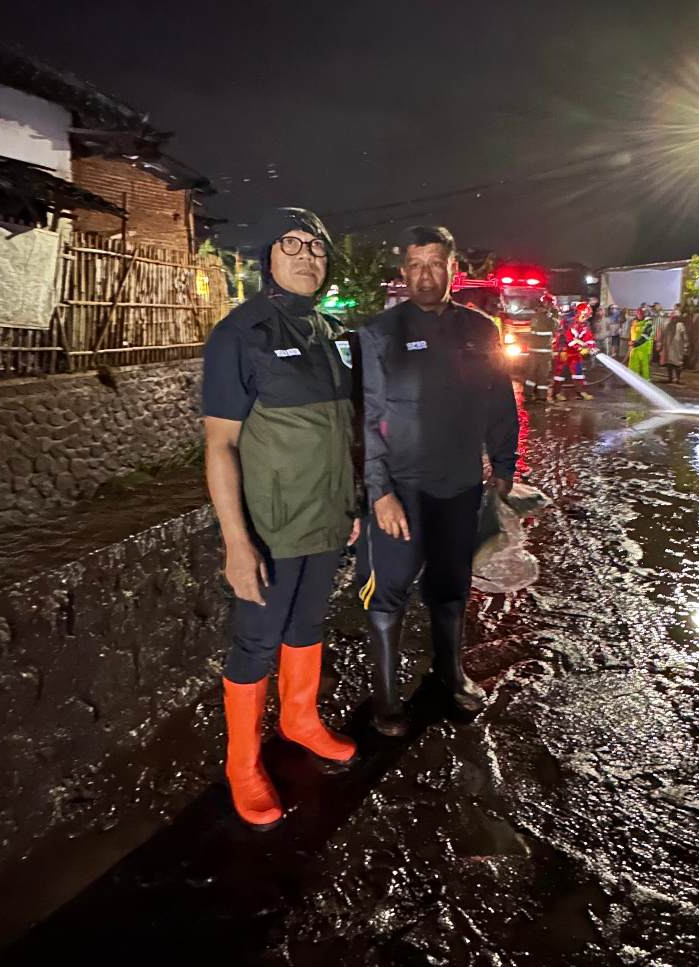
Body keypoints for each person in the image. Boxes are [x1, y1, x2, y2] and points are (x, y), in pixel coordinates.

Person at [201, 208, 358, 830]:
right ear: (269, 257)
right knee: (257, 642)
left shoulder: (335, 332)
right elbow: (220, 445)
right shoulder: (240, 333)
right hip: (271, 525)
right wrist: (236, 543)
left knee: (310, 623)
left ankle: (299, 720)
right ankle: (242, 764)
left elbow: (343, 429)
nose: (306, 255)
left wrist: (351, 500)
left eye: (316, 246)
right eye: (291, 244)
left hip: (326, 516)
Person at [358, 225, 520, 735]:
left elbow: (498, 398)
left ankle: (449, 673)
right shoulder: (379, 333)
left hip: (459, 483)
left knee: (451, 586)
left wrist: (504, 460)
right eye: (414, 265)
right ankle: (385, 697)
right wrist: (378, 490)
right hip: (401, 488)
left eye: (436, 264)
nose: (425, 275)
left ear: (455, 268)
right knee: (389, 591)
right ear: (402, 272)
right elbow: (362, 419)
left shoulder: (481, 330)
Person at [552, 302, 597, 400]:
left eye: (587, 316)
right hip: (564, 350)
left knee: (578, 371)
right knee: (560, 372)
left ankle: (580, 392)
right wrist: (581, 348)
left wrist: (592, 347)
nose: (586, 318)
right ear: (579, 313)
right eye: (584, 316)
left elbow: (588, 337)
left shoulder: (585, 324)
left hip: (575, 352)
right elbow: (569, 339)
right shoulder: (568, 322)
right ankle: (556, 393)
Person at [521, 296, 558, 403]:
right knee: (543, 374)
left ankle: (528, 394)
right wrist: (553, 313)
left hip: (533, 350)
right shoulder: (547, 316)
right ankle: (541, 396)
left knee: (531, 373)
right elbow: (555, 326)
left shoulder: (536, 315)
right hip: (544, 351)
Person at [659, 310, 689, 383]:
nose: (675, 319)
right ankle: (670, 378)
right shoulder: (666, 324)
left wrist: (685, 347)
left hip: (678, 348)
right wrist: (660, 344)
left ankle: (677, 378)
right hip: (669, 347)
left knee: (678, 364)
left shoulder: (680, 325)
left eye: (677, 317)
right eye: (674, 317)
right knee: (669, 363)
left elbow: (685, 337)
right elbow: (661, 335)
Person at [627, 309, 654, 379]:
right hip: (635, 348)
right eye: (638, 313)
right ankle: (633, 380)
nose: (639, 315)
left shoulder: (648, 324)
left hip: (643, 348)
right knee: (633, 365)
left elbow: (645, 336)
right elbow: (632, 334)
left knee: (644, 366)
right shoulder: (634, 322)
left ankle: (645, 383)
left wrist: (634, 343)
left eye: (641, 314)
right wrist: (631, 342)